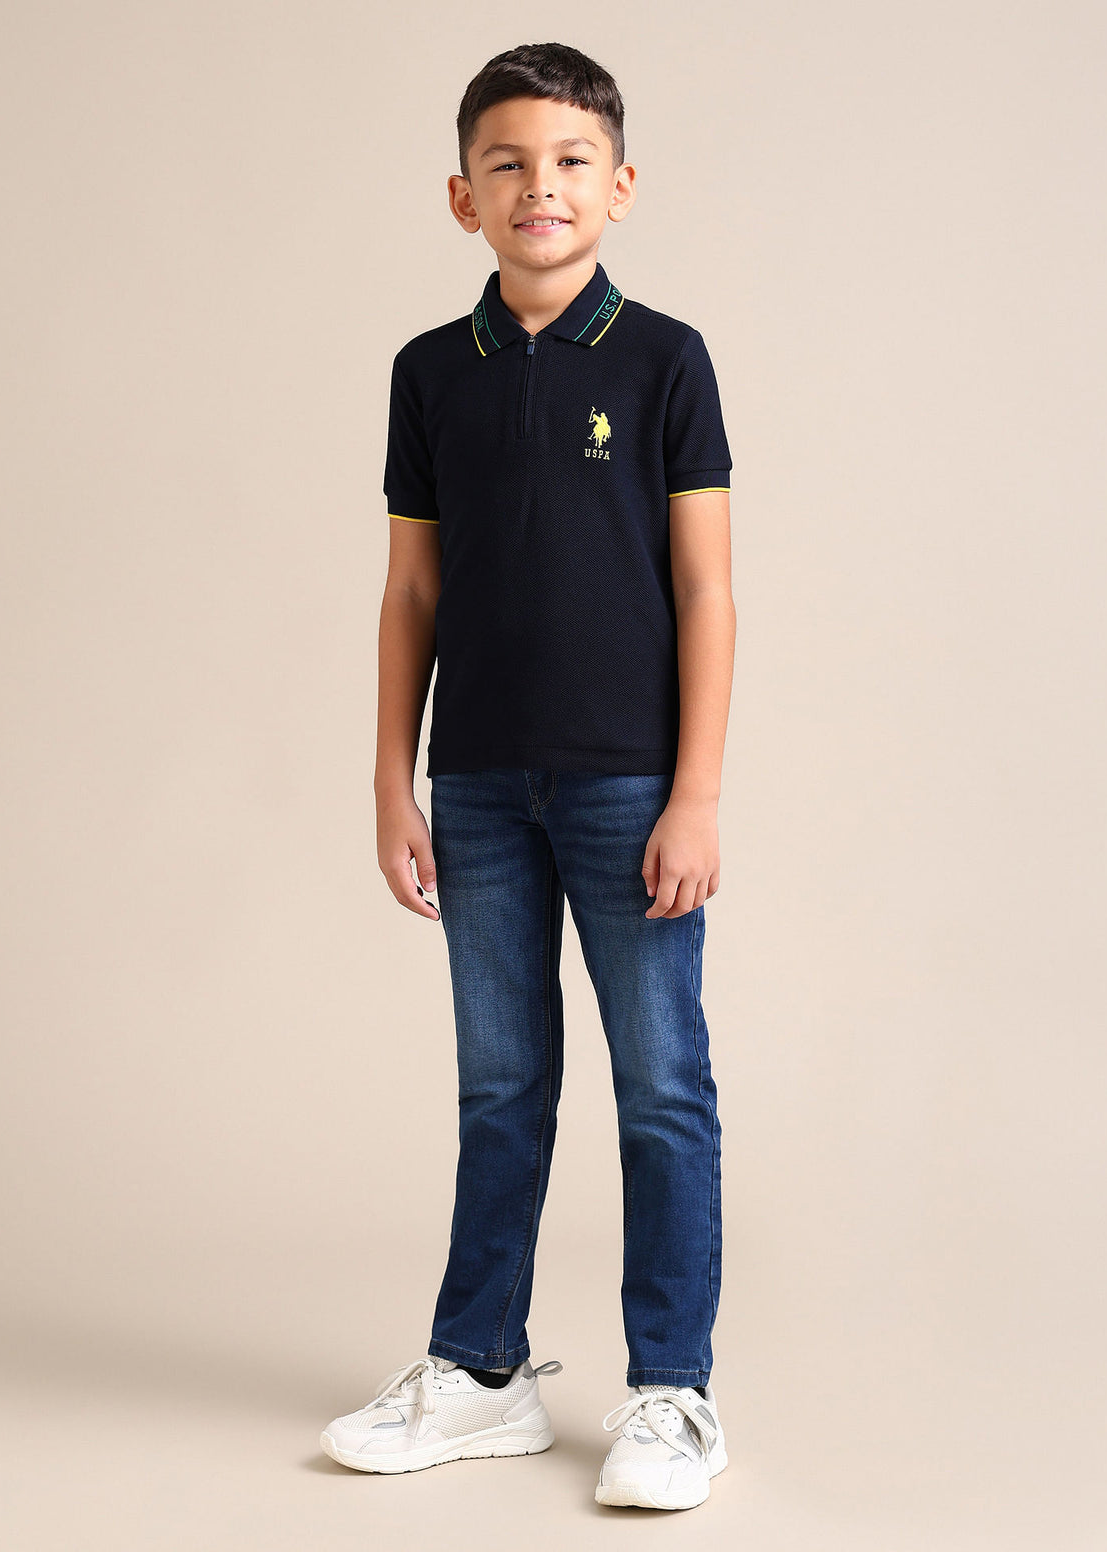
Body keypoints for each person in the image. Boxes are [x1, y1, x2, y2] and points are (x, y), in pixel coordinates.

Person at [320, 41, 736, 1512]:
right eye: (507, 164)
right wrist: (395, 781)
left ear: (619, 187)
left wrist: (696, 792)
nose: (538, 187)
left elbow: (707, 589)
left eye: (569, 162)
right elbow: (411, 593)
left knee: (662, 1086)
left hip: (630, 787)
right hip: (482, 787)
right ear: (463, 197)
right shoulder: (430, 373)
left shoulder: (667, 359)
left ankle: (672, 1392)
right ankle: (482, 1372)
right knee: (501, 1085)